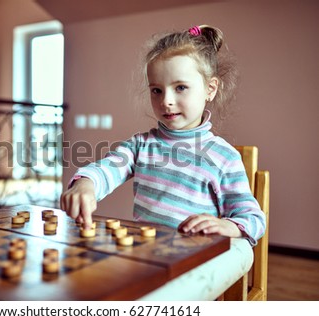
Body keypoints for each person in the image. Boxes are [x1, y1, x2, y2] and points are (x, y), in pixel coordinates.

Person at [60, 25, 266, 246]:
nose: (166, 101)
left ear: (210, 89)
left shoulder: (224, 157)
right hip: (147, 257)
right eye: (156, 90)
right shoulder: (140, 145)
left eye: (180, 88)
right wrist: (86, 184)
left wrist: (229, 226)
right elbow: (108, 168)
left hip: (194, 266)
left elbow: (254, 219)